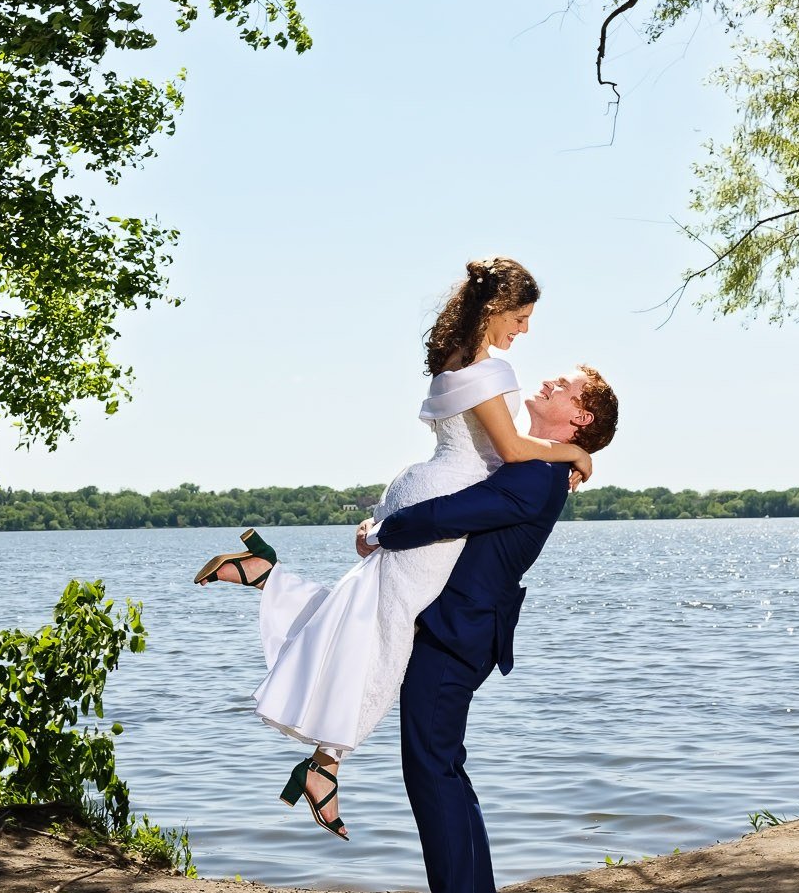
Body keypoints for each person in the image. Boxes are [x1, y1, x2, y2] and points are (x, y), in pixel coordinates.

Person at [193, 258, 592, 839]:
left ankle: (266, 578)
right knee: (386, 640)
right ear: (494, 310)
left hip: (416, 486)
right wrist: (576, 455)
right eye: (520, 316)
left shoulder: (453, 361)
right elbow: (511, 450)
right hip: (442, 504)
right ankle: (325, 765)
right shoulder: (492, 371)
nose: (524, 330)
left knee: (360, 614)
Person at [364, 365, 619, 893]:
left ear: (580, 417)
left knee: (430, 770)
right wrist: (580, 452)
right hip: (467, 629)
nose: (551, 382)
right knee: (447, 766)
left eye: (566, 387)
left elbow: (449, 513)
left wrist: (381, 531)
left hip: (458, 633)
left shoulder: (536, 474)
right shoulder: (542, 464)